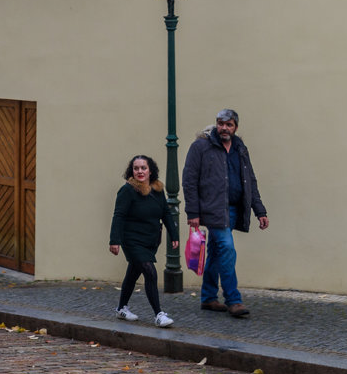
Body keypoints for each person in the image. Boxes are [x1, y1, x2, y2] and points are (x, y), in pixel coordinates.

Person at [182, 108, 268, 318]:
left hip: (233, 209)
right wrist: (192, 212)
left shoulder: (240, 148)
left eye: (229, 124)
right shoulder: (201, 146)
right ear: (216, 124)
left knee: (216, 253)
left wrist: (260, 210)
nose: (224, 128)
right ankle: (233, 300)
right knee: (228, 249)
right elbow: (189, 180)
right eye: (221, 123)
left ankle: (208, 297)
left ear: (235, 127)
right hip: (213, 209)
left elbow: (250, 180)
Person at [109, 155, 179, 327]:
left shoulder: (157, 189)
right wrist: (114, 240)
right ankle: (159, 314)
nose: (140, 171)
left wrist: (174, 235)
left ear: (150, 170)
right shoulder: (127, 190)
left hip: (151, 240)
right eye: (136, 168)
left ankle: (121, 309)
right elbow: (119, 215)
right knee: (150, 272)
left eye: (143, 168)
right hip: (132, 240)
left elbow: (166, 213)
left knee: (133, 274)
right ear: (131, 171)